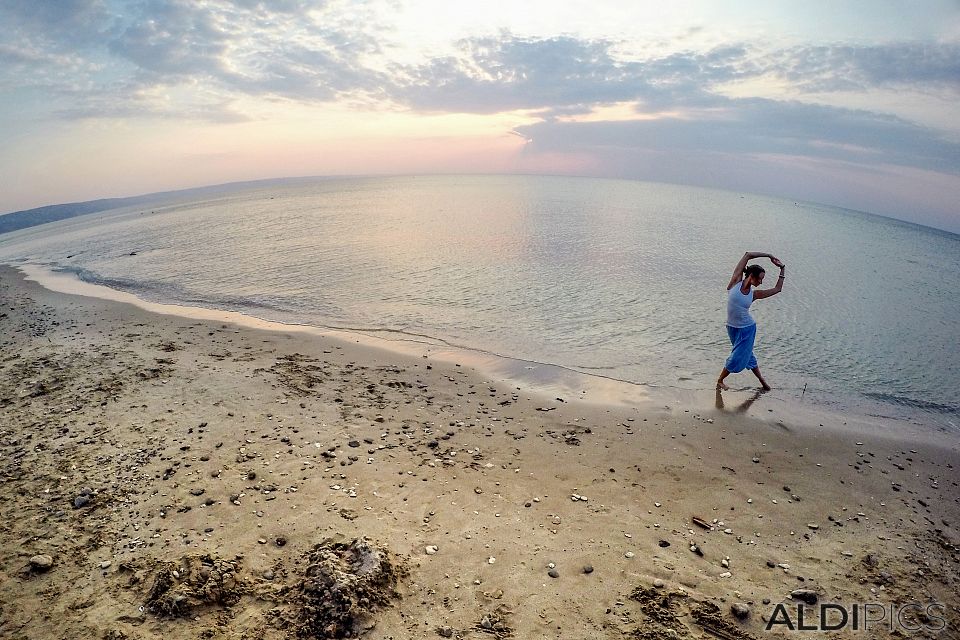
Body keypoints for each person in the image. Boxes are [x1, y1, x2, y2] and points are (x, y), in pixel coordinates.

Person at [716, 251, 785, 391]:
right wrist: (768, 255)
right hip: (732, 328)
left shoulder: (754, 295)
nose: (761, 282)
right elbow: (747, 255)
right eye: (760, 279)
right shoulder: (735, 281)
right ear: (751, 276)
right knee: (747, 354)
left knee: (737, 356)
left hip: (747, 329)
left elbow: (778, 289)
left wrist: (782, 268)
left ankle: (720, 380)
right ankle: (763, 381)